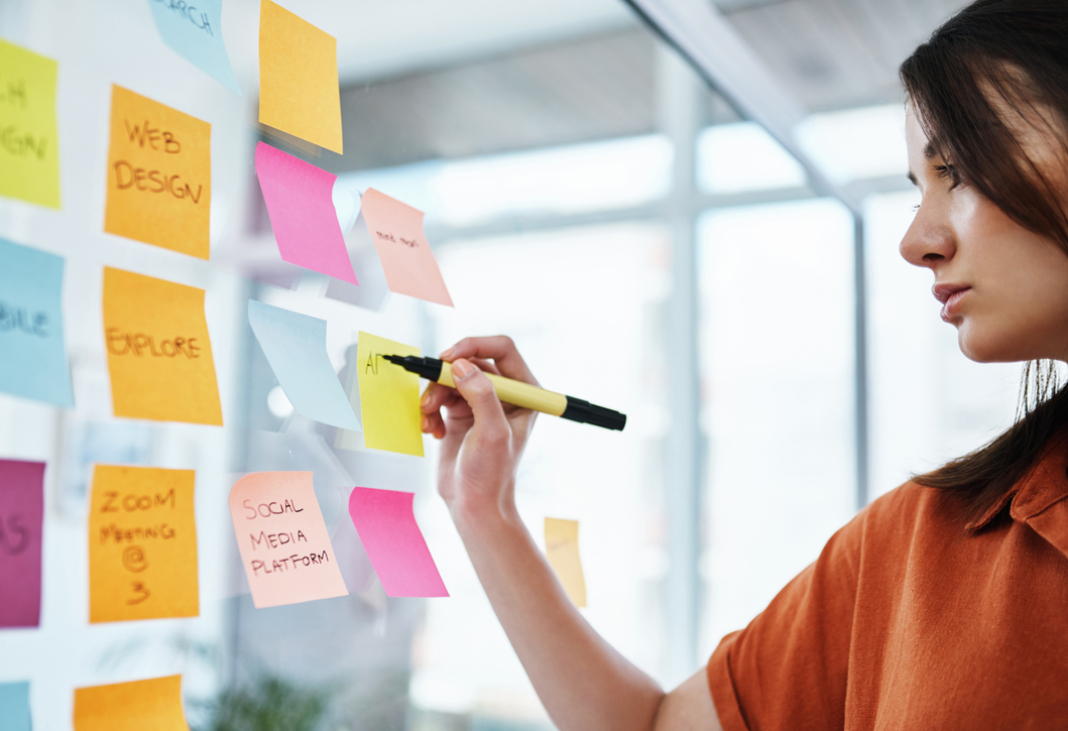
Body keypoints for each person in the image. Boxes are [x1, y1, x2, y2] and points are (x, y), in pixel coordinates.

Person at [417, 1, 1068, 728]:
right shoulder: (917, 546)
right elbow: (655, 726)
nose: (916, 242)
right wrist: (484, 508)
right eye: (921, 186)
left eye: (959, 170)